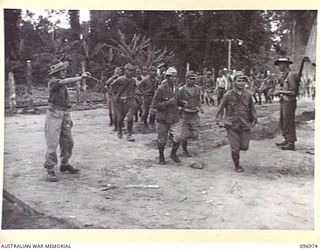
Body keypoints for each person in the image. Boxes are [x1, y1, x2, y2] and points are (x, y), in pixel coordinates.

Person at [44, 61, 91, 182]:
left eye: (65, 71)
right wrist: (80, 77)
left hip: (64, 114)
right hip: (54, 114)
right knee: (52, 144)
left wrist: (68, 118)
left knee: (68, 142)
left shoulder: (61, 85)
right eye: (63, 71)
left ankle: (64, 164)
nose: (65, 72)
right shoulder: (53, 82)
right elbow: (64, 81)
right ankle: (50, 168)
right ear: (57, 72)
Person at [215, 72, 257, 172]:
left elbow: (252, 109)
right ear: (234, 82)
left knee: (244, 146)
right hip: (231, 125)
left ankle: (238, 151)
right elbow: (220, 109)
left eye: (243, 81)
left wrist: (254, 119)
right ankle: (237, 165)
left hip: (244, 124)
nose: (241, 83)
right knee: (235, 148)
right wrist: (219, 121)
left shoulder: (248, 95)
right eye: (239, 81)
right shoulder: (228, 95)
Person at [151, 67, 182, 165]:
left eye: (176, 77)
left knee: (178, 137)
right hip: (163, 118)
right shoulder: (161, 89)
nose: (175, 79)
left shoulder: (177, 89)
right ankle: (161, 156)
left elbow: (177, 100)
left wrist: (182, 103)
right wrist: (167, 103)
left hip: (174, 117)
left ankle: (173, 154)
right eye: (172, 77)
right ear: (167, 77)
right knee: (162, 140)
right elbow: (154, 105)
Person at [273, 57, 299, 151]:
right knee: (283, 121)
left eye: (279, 65)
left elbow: (293, 92)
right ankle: (287, 139)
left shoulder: (291, 76)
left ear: (284, 64)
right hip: (284, 101)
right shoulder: (286, 75)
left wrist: (280, 92)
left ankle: (291, 143)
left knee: (289, 122)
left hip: (289, 102)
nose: (278, 67)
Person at [177, 71, 203, 157]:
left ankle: (186, 137)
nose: (192, 81)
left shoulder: (197, 88)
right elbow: (177, 101)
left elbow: (198, 99)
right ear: (186, 79)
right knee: (184, 135)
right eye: (190, 79)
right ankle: (185, 150)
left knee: (195, 135)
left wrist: (200, 107)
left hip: (195, 114)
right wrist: (181, 104)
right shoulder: (181, 90)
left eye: (194, 79)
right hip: (185, 114)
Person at [111, 63, 137, 141]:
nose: (131, 72)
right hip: (120, 102)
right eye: (129, 70)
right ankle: (119, 131)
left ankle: (129, 134)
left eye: (132, 71)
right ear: (125, 71)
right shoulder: (120, 79)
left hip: (130, 101)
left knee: (130, 118)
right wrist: (116, 94)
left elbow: (134, 89)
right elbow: (111, 85)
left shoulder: (133, 80)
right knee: (120, 118)